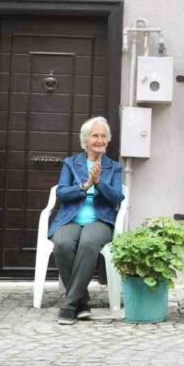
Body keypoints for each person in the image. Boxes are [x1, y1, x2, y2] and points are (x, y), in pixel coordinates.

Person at [50, 116, 125, 324]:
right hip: (71, 218)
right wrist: (85, 186)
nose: (100, 140)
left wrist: (99, 183)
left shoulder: (114, 167)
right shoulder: (71, 163)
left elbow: (117, 198)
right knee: (62, 243)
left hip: (100, 220)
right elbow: (62, 194)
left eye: (103, 136)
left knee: (88, 242)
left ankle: (69, 305)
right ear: (85, 140)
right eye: (95, 136)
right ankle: (81, 301)